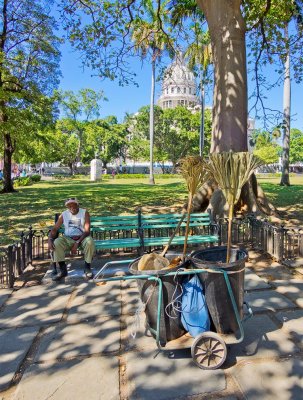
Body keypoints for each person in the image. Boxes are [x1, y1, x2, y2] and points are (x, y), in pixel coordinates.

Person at [48, 198, 96, 281]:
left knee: (90, 242)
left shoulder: (84, 213)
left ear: (77, 205)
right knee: (57, 242)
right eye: (69, 206)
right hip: (68, 238)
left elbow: (87, 231)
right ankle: (63, 270)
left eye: (73, 205)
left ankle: (87, 267)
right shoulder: (64, 214)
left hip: (82, 237)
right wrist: (50, 239)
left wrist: (77, 242)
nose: (71, 207)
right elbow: (55, 229)